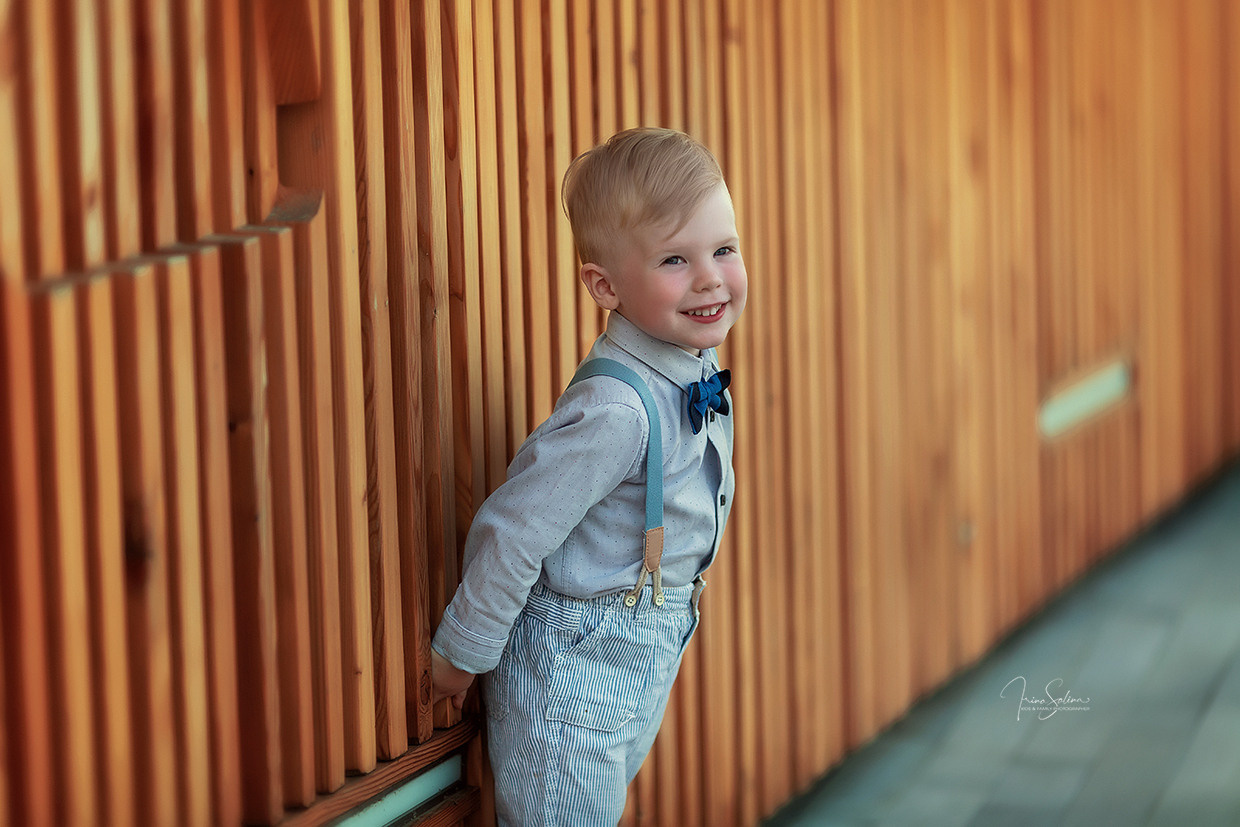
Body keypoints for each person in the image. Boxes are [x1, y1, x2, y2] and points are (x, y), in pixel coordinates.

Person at [430, 126, 746, 826]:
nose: (710, 277)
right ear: (606, 286)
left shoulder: (684, 368)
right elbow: (514, 529)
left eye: (723, 248)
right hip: (573, 672)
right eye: (674, 259)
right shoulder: (617, 411)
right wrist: (464, 649)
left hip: (633, 657)